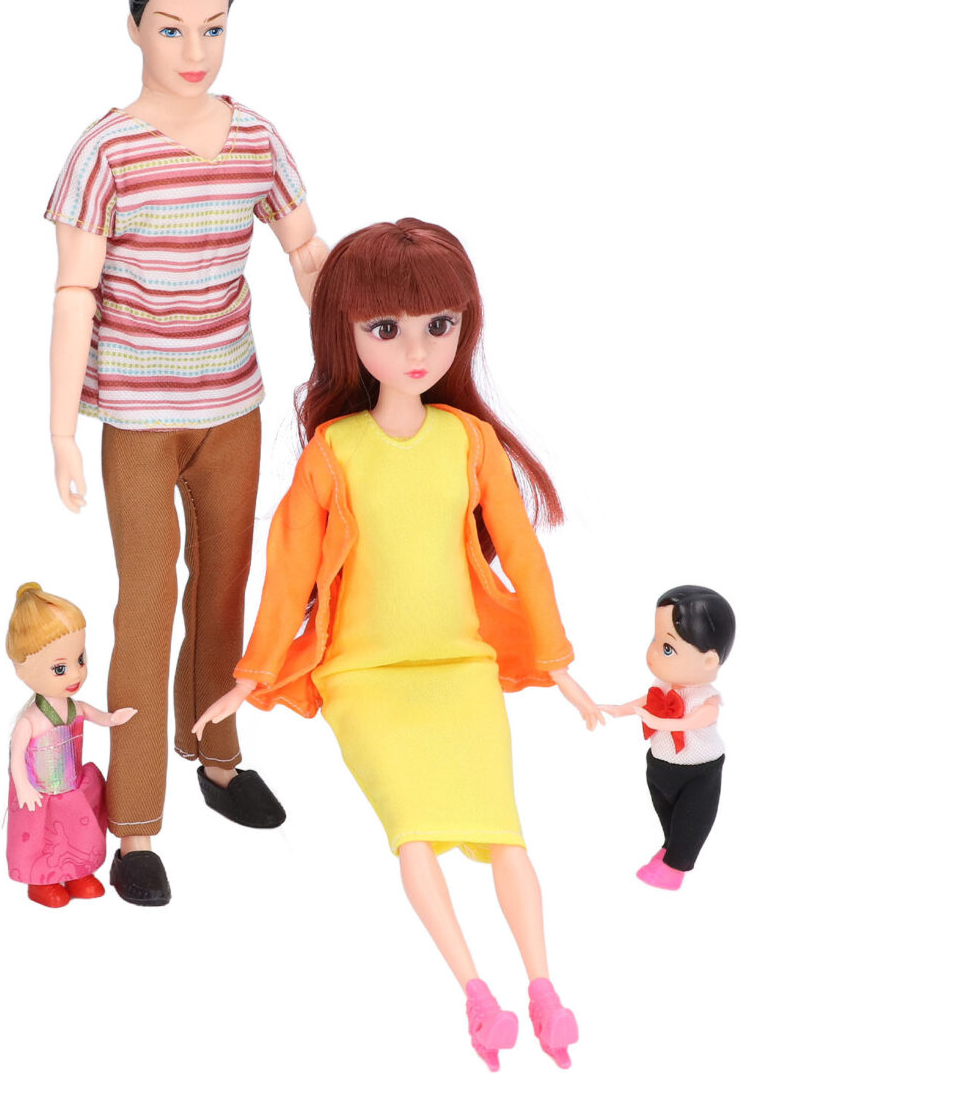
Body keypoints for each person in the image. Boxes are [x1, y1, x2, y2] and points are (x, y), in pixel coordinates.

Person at [194, 219, 600, 1071]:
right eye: (387, 329)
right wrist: (254, 673)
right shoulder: (335, 451)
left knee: (505, 832)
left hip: (461, 669)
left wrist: (558, 662)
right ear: (345, 332)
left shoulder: (468, 440)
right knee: (413, 832)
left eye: (437, 326)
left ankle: (544, 988)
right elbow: (289, 565)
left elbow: (520, 552)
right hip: (366, 676)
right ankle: (476, 994)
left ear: (463, 325)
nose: (417, 351)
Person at [44, 0, 327, 905]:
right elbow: (74, 292)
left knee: (225, 583)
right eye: (172, 28)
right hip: (138, 413)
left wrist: (359, 338)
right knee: (145, 602)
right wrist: (60, 427)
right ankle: (134, 825)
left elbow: (305, 251)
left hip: (232, 401)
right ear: (134, 28)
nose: (195, 49)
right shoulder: (105, 151)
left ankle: (216, 752)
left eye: (213, 27)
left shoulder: (255, 138)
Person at [5, 583, 136, 908]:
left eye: (80, 659)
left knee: (78, 833)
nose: (75, 674)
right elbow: (16, 758)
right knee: (43, 840)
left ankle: (78, 872)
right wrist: (23, 787)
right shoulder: (30, 721)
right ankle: (42, 882)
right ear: (22, 669)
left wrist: (113, 718)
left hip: (72, 788)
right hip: (41, 794)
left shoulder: (74, 707)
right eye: (60, 668)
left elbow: (96, 716)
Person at [599, 585, 736, 890]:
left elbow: (699, 720)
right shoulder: (661, 684)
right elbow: (645, 701)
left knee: (692, 820)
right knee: (667, 813)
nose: (653, 654)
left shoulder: (704, 697)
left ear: (708, 661)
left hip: (698, 771)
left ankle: (675, 868)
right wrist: (620, 710)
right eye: (655, 640)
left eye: (667, 648)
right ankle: (668, 847)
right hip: (660, 766)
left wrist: (659, 721)